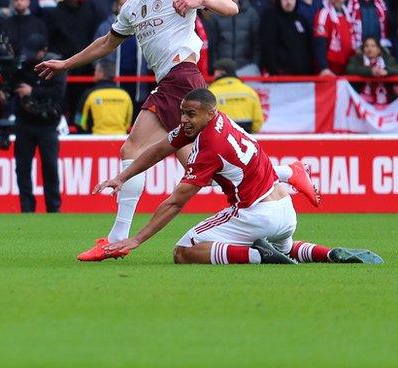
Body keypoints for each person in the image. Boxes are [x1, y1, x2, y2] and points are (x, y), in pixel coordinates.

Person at [36, 0, 316, 261]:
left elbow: (230, 7)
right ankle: (286, 172)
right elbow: (106, 43)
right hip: (169, 82)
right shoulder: (130, 7)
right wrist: (65, 64)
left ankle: (116, 239)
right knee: (201, 173)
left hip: (183, 77)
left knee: (136, 150)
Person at [95, 89, 381, 266]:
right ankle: (328, 254)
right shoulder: (214, 121)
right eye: (182, 113)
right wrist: (122, 176)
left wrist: (137, 240)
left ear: (209, 113)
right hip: (284, 210)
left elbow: (174, 203)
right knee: (285, 249)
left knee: (184, 251)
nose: (183, 119)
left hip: (257, 213)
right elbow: (160, 149)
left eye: (189, 114)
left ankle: (260, 256)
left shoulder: (210, 147)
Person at [7, 34, 65, 213]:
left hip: (48, 124)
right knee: (22, 167)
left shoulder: (56, 66)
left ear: (44, 51)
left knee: (50, 167)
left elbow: (58, 92)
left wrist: (33, 91)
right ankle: (27, 207)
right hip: (24, 122)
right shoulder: (22, 65)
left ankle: (53, 208)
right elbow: (12, 87)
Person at [76, 60, 133, 135]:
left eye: (96, 71)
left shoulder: (90, 94)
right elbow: (128, 122)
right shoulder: (125, 95)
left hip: (96, 139)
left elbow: (79, 121)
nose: (94, 73)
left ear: (101, 74)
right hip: (121, 139)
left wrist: (86, 133)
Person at [208, 58, 264, 133]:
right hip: (245, 137)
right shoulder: (250, 92)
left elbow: (206, 119)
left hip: (221, 139)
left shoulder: (210, 93)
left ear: (220, 72)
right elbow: (258, 120)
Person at [313, 0, 357, 76]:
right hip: (330, 69)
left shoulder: (348, 15)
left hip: (347, 67)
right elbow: (319, 43)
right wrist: (323, 67)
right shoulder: (324, 14)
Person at [346, 37, 398, 104]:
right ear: (363, 49)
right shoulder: (357, 59)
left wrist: (386, 71)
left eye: (373, 46)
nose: (369, 49)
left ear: (379, 49)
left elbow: (396, 68)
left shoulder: (387, 59)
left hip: (387, 99)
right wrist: (370, 71)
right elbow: (349, 69)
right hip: (362, 101)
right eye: (366, 46)